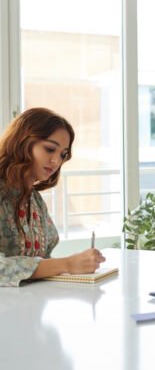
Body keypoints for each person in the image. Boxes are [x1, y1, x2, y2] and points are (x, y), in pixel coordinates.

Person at [0, 108, 105, 287]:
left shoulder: (35, 201)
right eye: (50, 149)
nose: (56, 161)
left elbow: (42, 262)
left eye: (62, 155)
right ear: (22, 142)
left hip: (29, 307)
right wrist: (67, 264)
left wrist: (77, 265)